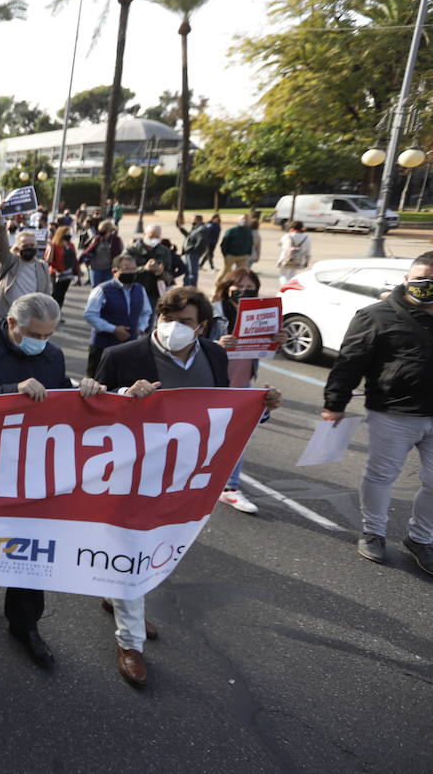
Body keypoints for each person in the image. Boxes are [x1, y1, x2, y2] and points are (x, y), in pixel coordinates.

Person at [96, 286, 283, 686]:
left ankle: (119, 594)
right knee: (132, 548)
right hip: (130, 475)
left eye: (184, 322)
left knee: (160, 548)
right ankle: (130, 641)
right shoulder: (122, 356)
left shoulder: (216, 355)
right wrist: (125, 396)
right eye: (167, 319)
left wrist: (260, 410)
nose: (173, 328)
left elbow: (223, 412)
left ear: (201, 326)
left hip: (186, 478)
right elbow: (90, 415)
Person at [0, 292, 107, 668]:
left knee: (32, 550)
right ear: (11, 325)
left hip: (35, 470)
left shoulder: (50, 355)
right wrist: (11, 392)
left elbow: (59, 398)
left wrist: (83, 391)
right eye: (36, 333)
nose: (43, 341)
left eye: (50, 334)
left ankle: (25, 625)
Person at [322, 251, 433, 573]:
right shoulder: (376, 315)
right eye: (420, 279)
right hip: (393, 413)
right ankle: (374, 532)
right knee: (382, 476)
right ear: (406, 280)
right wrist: (334, 404)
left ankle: (421, 539)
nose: (426, 286)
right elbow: (349, 361)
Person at [210, 268, 287, 514]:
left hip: (242, 383)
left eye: (249, 287)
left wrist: (278, 339)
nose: (244, 292)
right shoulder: (213, 311)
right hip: (213, 385)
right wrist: (215, 344)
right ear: (226, 287)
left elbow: (266, 348)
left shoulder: (262, 314)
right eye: (238, 287)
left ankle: (230, 488)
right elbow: (189, 343)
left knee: (239, 437)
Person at [83, 254, 151, 378]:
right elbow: (90, 314)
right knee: (96, 381)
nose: (131, 272)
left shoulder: (140, 289)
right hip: (102, 346)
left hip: (129, 346)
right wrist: (113, 329)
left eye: (133, 269)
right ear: (114, 271)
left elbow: (146, 312)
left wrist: (141, 327)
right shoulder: (102, 290)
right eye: (127, 269)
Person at [0, 222, 52, 321]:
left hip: (29, 316)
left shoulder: (43, 266)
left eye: (32, 245)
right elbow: (1, 246)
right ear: (17, 248)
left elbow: (46, 294)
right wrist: (1, 222)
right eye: (25, 246)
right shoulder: (10, 261)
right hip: (5, 314)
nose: (29, 248)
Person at [44, 226, 81, 308]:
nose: (69, 235)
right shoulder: (54, 244)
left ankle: (58, 312)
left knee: (62, 294)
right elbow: (48, 260)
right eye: (66, 234)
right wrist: (51, 247)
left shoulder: (71, 245)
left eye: (69, 234)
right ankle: (51, 312)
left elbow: (75, 259)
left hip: (68, 273)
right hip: (56, 273)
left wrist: (78, 272)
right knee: (55, 294)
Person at [80, 220, 123, 286]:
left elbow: (120, 253)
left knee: (108, 288)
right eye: (99, 230)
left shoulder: (116, 240)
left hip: (109, 269)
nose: (100, 232)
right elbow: (87, 251)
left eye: (102, 230)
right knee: (95, 289)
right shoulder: (96, 239)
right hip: (95, 268)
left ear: (108, 230)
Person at [178, 214, 209, 288]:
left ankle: (192, 288)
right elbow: (189, 236)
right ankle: (186, 286)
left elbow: (201, 242)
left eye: (193, 219)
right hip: (188, 253)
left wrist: (194, 250)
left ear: (198, 220)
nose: (192, 220)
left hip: (193, 253)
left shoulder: (202, 229)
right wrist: (181, 228)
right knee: (187, 270)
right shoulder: (195, 227)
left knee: (192, 272)